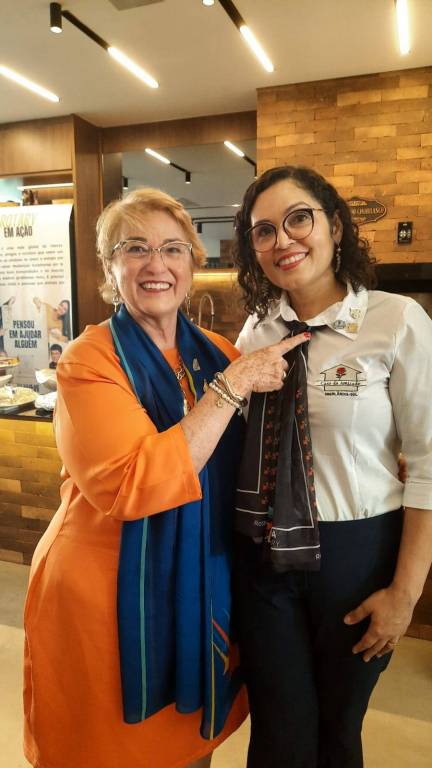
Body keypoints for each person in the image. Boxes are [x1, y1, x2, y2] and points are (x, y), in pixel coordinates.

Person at [23, 187, 308, 768]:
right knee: (107, 750)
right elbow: (132, 485)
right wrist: (232, 388)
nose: (157, 264)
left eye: (173, 249)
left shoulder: (220, 351)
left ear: (192, 264)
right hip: (105, 599)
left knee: (190, 747)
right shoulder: (89, 359)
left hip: (202, 586)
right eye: (136, 248)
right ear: (110, 268)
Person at [232, 165, 432, 768]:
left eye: (300, 219)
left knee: (339, 728)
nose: (283, 240)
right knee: (279, 730)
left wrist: (405, 595)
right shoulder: (257, 331)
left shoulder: (397, 321)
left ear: (336, 226)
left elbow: (429, 464)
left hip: (358, 555)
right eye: (264, 230)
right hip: (265, 552)